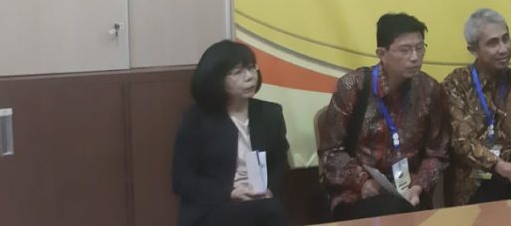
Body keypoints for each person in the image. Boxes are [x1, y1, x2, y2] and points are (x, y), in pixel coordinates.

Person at [317, 13, 448, 221]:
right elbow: (331, 152)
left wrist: (418, 186)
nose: (415, 57)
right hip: (357, 195)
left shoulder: (430, 89)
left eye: (420, 48)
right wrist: (363, 182)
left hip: (410, 195)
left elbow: (437, 153)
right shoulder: (353, 87)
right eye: (405, 50)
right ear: (382, 54)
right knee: (392, 211)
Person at [442, 8, 511, 206]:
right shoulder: (456, 84)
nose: (503, 49)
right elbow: (462, 142)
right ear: (473, 50)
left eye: (506, 39)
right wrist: (502, 167)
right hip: (474, 180)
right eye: (493, 43)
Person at [172, 40, 289, 226]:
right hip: (213, 206)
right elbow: (182, 180)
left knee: (270, 208)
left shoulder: (270, 114)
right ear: (215, 79)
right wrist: (230, 192)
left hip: (260, 201)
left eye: (251, 68)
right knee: (271, 211)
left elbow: (279, 162)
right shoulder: (196, 118)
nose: (249, 77)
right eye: (237, 72)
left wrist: (270, 190)